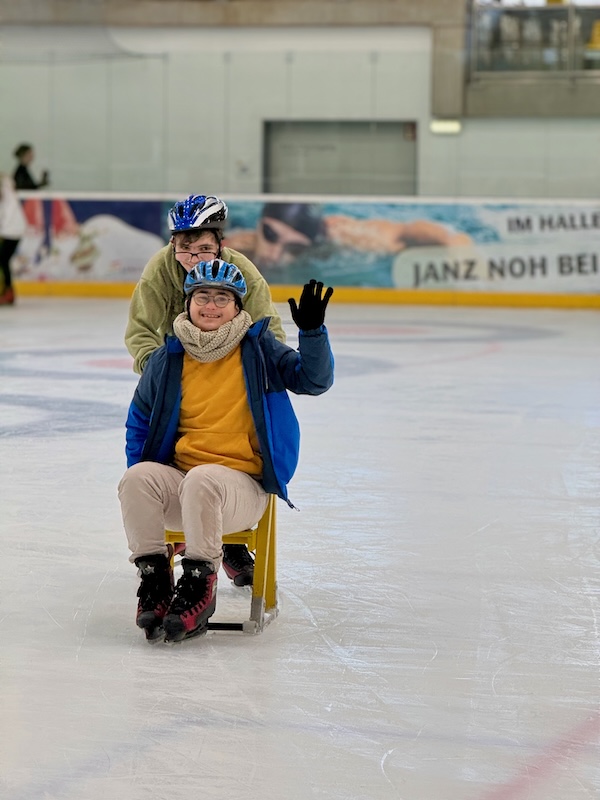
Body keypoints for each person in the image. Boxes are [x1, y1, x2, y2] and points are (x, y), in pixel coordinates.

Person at [118, 260, 334, 643]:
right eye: (202, 296)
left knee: (204, 478)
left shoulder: (259, 350)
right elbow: (139, 422)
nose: (211, 306)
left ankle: (200, 585)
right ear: (188, 303)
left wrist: (313, 333)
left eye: (222, 298)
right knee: (137, 478)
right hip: (183, 486)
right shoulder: (168, 359)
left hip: (242, 491)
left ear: (237, 307)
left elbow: (313, 381)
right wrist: (148, 486)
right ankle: (155, 580)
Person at [125, 194, 286, 375]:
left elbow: (270, 329)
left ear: (221, 245)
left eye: (204, 249)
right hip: (178, 363)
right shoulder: (159, 270)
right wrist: (155, 368)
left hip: (233, 365)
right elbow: (140, 329)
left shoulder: (244, 272)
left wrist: (264, 367)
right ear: (172, 244)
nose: (194, 260)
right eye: (185, 248)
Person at [225, 200, 473, 277]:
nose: (274, 254)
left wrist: (451, 241)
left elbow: (404, 232)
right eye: (270, 235)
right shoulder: (240, 246)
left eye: (295, 248)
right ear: (259, 225)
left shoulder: (343, 237)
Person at [0, 173, 27, 306]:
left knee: (3, 260)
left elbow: (6, 178)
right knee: (3, 260)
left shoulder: (8, 192)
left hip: (12, 231)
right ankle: (7, 291)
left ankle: (8, 292)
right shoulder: (5, 197)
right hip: (11, 231)